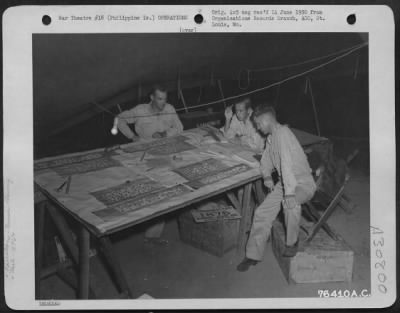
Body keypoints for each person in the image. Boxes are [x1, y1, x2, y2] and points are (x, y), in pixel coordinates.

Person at [237, 105, 316, 272]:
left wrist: (289, 194)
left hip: (302, 183)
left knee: (290, 204)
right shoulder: (272, 138)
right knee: (261, 213)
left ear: (266, 120)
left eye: (258, 123)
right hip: (285, 182)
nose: (257, 128)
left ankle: (292, 242)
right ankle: (253, 255)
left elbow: (286, 164)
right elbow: (266, 160)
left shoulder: (283, 134)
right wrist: (266, 176)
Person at [115, 85, 184, 246]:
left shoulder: (170, 108)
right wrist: (132, 137)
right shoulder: (140, 110)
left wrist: (165, 134)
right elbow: (119, 119)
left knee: (169, 188)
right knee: (145, 189)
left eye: (165, 99)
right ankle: (131, 228)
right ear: (151, 98)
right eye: (159, 99)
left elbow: (179, 127)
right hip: (144, 154)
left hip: (165, 151)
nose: (163, 103)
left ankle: (152, 235)